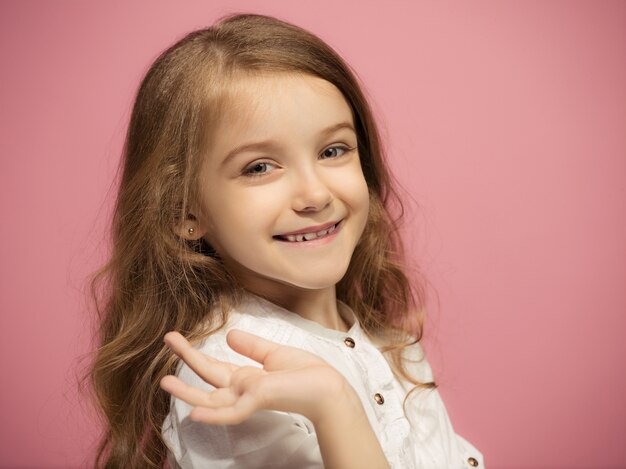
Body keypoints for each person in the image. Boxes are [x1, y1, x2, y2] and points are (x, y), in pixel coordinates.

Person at [88, 12, 485, 469]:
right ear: (185, 211)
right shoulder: (230, 378)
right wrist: (333, 404)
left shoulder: (388, 343)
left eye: (333, 150)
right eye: (259, 167)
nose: (315, 195)